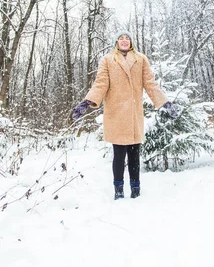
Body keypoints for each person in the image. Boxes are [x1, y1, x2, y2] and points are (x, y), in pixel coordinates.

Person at [72, 31, 178, 200]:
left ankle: (136, 190)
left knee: (135, 154)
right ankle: (119, 190)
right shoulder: (107, 60)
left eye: (127, 38)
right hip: (116, 114)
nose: (124, 40)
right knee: (119, 155)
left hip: (134, 114)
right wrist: (87, 102)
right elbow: (101, 83)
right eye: (121, 38)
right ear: (116, 42)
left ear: (131, 42)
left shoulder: (141, 59)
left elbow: (150, 83)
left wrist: (164, 102)